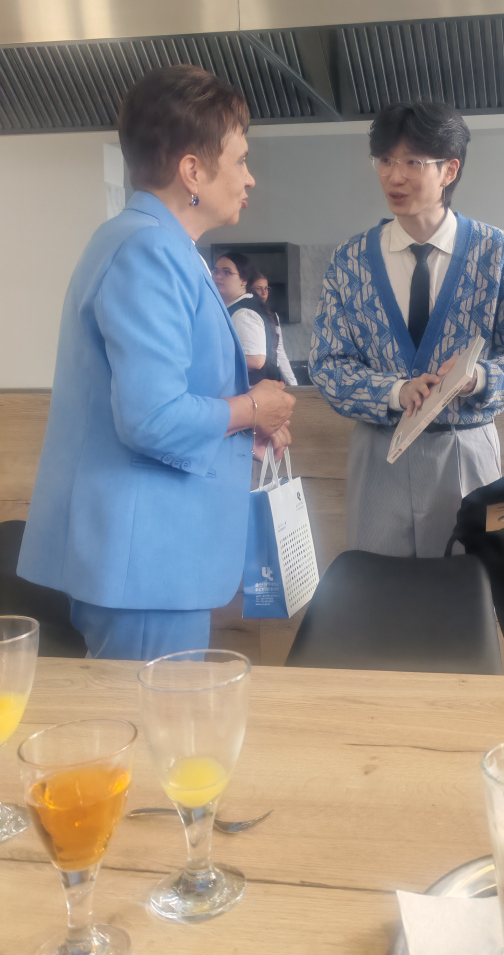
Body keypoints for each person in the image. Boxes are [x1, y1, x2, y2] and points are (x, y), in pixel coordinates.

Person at [17, 64, 295, 661]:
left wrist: (236, 432)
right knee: (154, 718)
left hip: (144, 557)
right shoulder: (150, 249)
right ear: (192, 170)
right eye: (241, 159)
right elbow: (150, 417)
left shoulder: (149, 241)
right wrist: (252, 409)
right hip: (144, 562)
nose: (250, 177)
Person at [309, 100, 504, 560]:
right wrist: (395, 392)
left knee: (467, 587)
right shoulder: (350, 261)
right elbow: (327, 365)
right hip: (379, 454)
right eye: (385, 160)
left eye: (413, 162)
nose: (394, 176)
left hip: (465, 451)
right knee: (379, 590)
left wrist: (478, 378)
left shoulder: (498, 254)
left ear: (449, 170)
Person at [213, 251, 295, 385]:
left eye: (227, 272)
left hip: (252, 389)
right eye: (216, 271)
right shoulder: (242, 307)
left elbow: (255, 360)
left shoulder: (243, 313)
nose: (218, 276)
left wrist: (209, 356)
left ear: (244, 280)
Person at [249, 271, 298, 385]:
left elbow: (279, 351)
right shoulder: (246, 314)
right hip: (254, 378)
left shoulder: (273, 316)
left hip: (272, 375)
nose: (264, 292)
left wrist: (293, 383)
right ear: (250, 290)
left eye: (266, 288)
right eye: (259, 288)